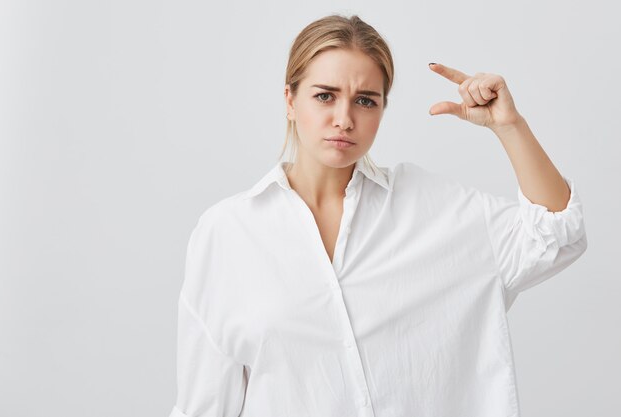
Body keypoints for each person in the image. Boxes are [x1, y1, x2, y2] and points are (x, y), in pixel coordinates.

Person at [168, 14, 587, 417]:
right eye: (324, 95)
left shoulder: (431, 208)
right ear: (290, 100)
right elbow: (205, 406)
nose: (344, 119)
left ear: (383, 110)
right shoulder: (227, 233)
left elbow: (556, 234)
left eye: (365, 101)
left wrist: (509, 126)